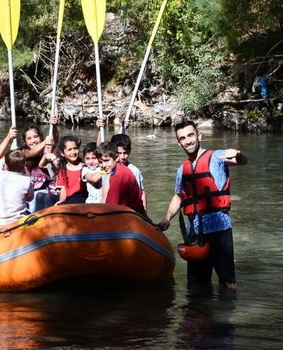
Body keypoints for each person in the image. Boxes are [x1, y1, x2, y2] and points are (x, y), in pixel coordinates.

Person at [157, 120, 247, 290]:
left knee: (227, 283)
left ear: (199, 135)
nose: (188, 141)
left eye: (190, 135)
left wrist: (238, 154)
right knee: (197, 285)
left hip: (219, 229)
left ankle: (225, 313)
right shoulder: (182, 170)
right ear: (178, 143)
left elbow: (241, 161)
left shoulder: (217, 156)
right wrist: (166, 219)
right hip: (195, 232)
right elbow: (178, 196)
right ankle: (200, 312)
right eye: (183, 138)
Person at [97, 142, 145, 214]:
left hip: (129, 217)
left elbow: (110, 209)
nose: (103, 165)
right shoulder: (121, 169)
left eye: (106, 160)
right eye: (100, 162)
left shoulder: (118, 176)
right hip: (136, 214)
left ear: (116, 158)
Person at [0, 148, 34, 227]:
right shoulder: (27, 181)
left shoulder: (0, 176)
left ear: (6, 165)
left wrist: (5, 158)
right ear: (24, 165)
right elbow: (30, 198)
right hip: (17, 221)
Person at [21, 119, 59, 211]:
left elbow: (55, 139)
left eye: (35, 137)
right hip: (31, 195)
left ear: (41, 137)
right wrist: (45, 142)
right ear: (25, 142)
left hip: (48, 193)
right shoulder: (22, 152)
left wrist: (53, 126)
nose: (33, 140)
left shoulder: (47, 149)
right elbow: (31, 153)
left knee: (44, 196)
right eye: (29, 138)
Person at [110, 133, 147, 211]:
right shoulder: (107, 169)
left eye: (125, 153)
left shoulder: (134, 171)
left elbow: (141, 194)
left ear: (129, 151)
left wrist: (144, 215)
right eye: (119, 153)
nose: (122, 157)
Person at [55, 135, 87, 204]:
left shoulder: (85, 167)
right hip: (68, 199)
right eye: (69, 150)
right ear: (62, 153)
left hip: (81, 198)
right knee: (44, 197)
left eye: (75, 148)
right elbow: (63, 192)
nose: (73, 152)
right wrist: (61, 202)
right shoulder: (62, 171)